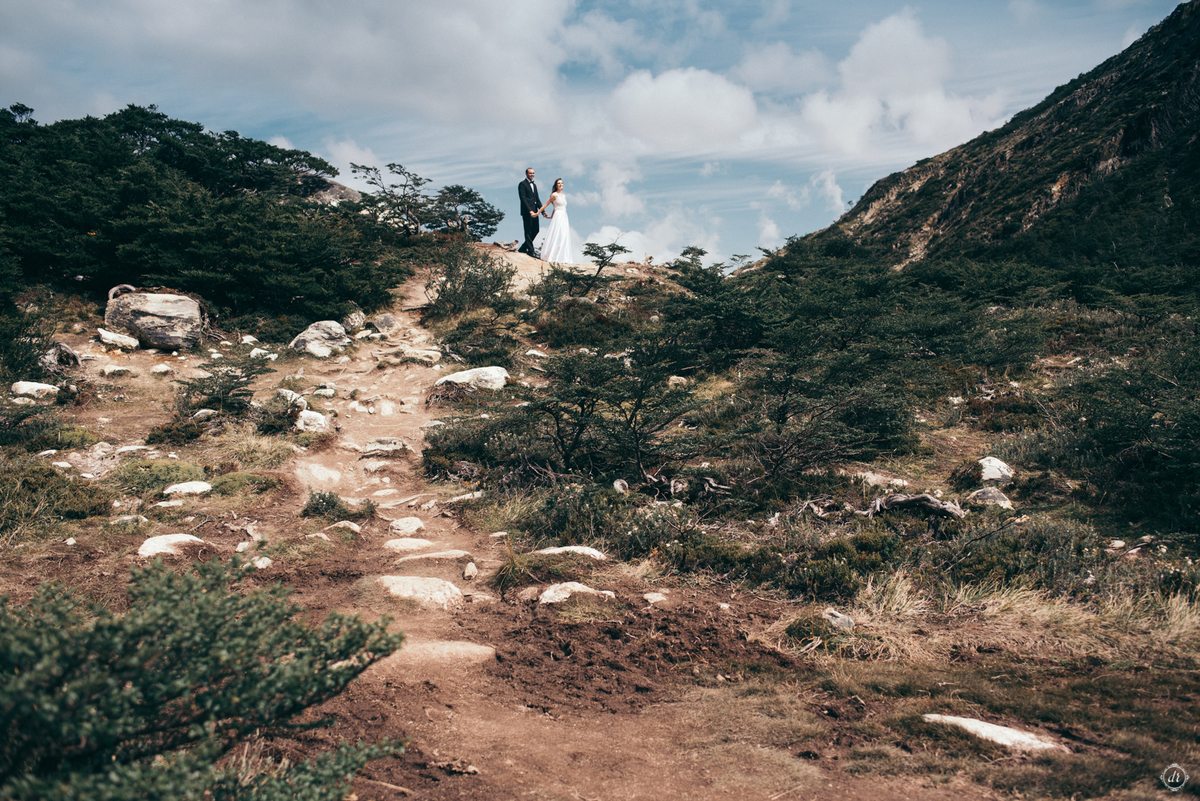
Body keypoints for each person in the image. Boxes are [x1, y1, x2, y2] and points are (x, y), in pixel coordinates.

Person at [535, 178, 572, 264]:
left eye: (561, 183)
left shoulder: (563, 196)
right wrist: (537, 213)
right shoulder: (554, 195)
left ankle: (562, 257)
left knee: (564, 235)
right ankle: (553, 256)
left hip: (564, 216)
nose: (560, 185)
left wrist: (551, 216)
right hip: (558, 216)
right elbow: (546, 205)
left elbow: (556, 208)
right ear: (556, 185)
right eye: (558, 183)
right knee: (557, 234)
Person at [517, 167, 541, 257]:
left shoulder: (534, 185)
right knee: (528, 230)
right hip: (527, 212)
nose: (532, 175)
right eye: (530, 173)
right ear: (526, 174)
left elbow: (537, 199)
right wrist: (529, 210)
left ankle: (523, 248)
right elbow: (523, 199)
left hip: (535, 211)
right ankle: (531, 251)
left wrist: (542, 211)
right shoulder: (522, 184)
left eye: (533, 173)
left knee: (536, 230)